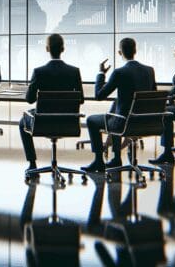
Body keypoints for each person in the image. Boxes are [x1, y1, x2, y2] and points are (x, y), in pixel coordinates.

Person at [82, 38, 157, 172]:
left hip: (124, 123)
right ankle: (116, 158)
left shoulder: (119, 72)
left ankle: (99, 161)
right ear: (135, 51)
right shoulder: (149, 71)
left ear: (119, 52)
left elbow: (99, 95)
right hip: (145, 122)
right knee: (117, 112)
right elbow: (153, 97)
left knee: (92, 120)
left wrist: (101, 74)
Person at [18, 34, 84, 171]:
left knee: (22, 122)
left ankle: (32, 163)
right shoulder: (74, 72)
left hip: (43, 123)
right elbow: (81, 99)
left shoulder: (39, 72)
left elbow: (29, 99)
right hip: (68, 123)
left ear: (47, 49)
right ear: (63, 49)